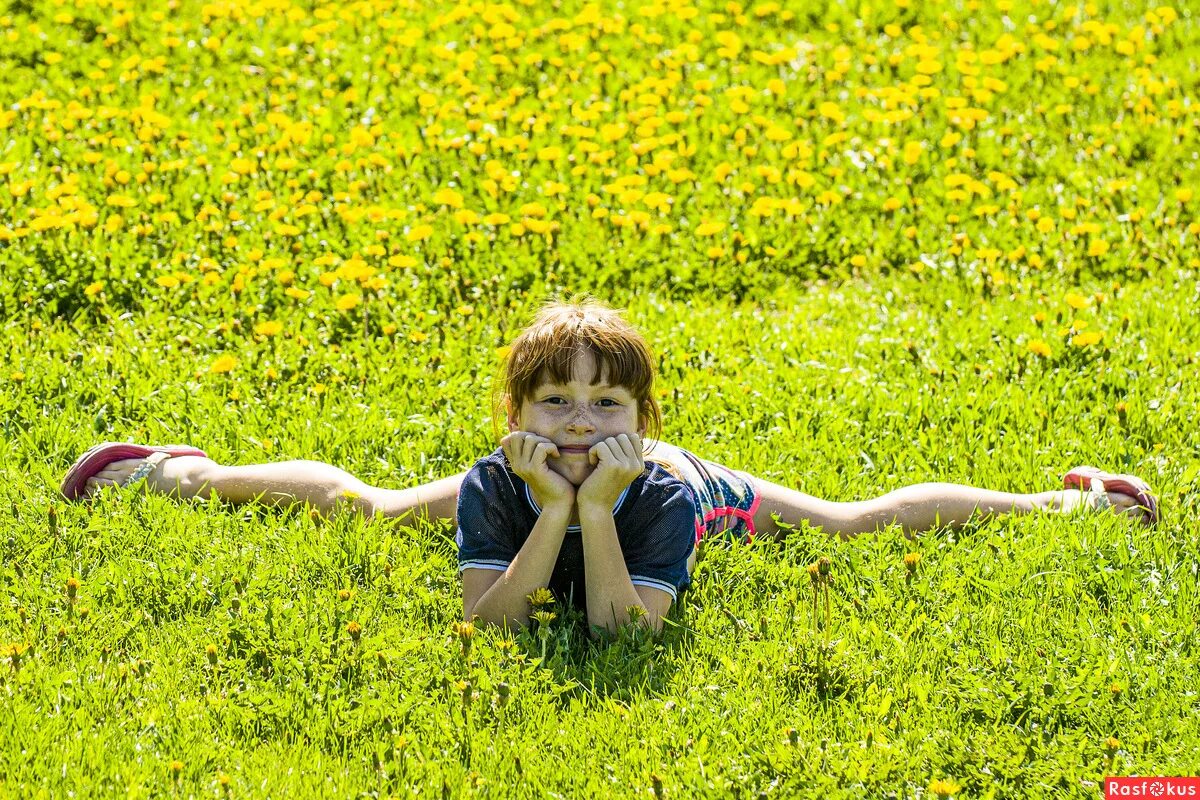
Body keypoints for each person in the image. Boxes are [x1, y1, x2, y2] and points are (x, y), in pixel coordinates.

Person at [61, 300, 1159, 634]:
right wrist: (550, 497)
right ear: (517, 411)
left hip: (678, 494)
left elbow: (617, 628)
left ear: (641, 411)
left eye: (605, 401)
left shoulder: (672, 484)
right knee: (373, 503)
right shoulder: (511, 467)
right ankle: (179, 472)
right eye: (555, 401)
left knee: (848, 521)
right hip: (536, 493)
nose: (580, 420)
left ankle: (1067, 508)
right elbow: (491, 621)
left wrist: (597, 501)